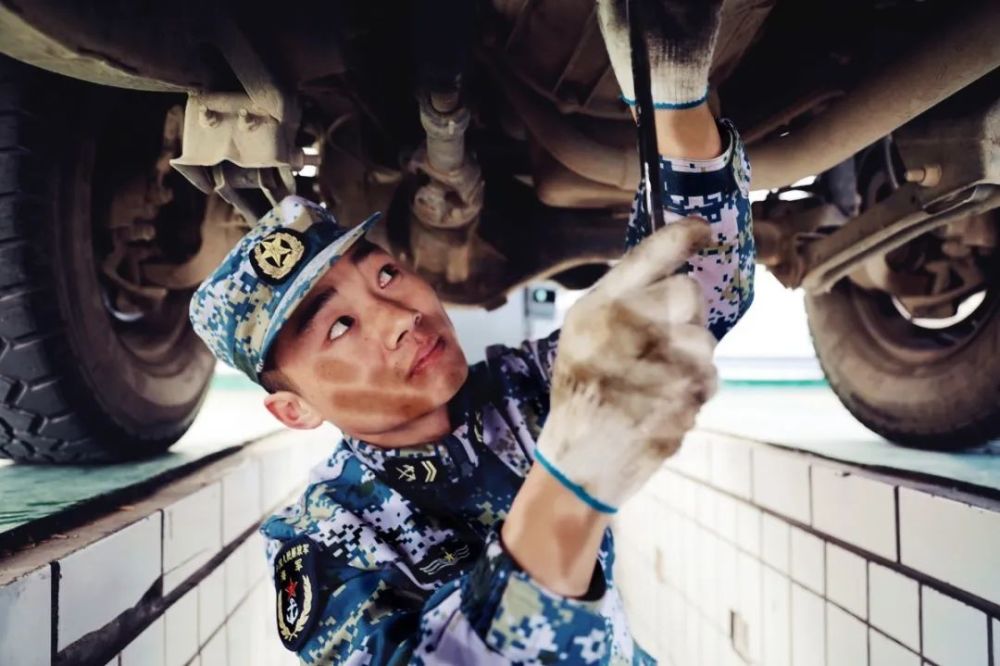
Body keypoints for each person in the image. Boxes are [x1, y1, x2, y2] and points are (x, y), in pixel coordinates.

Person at [188, 0, 753, 663]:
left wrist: (675, 98)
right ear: (294, 409)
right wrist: (568, 488)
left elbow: (689, 296)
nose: (399, 319)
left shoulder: (519, 392)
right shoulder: (321, 538)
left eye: (388, 276)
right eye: (339, 325)